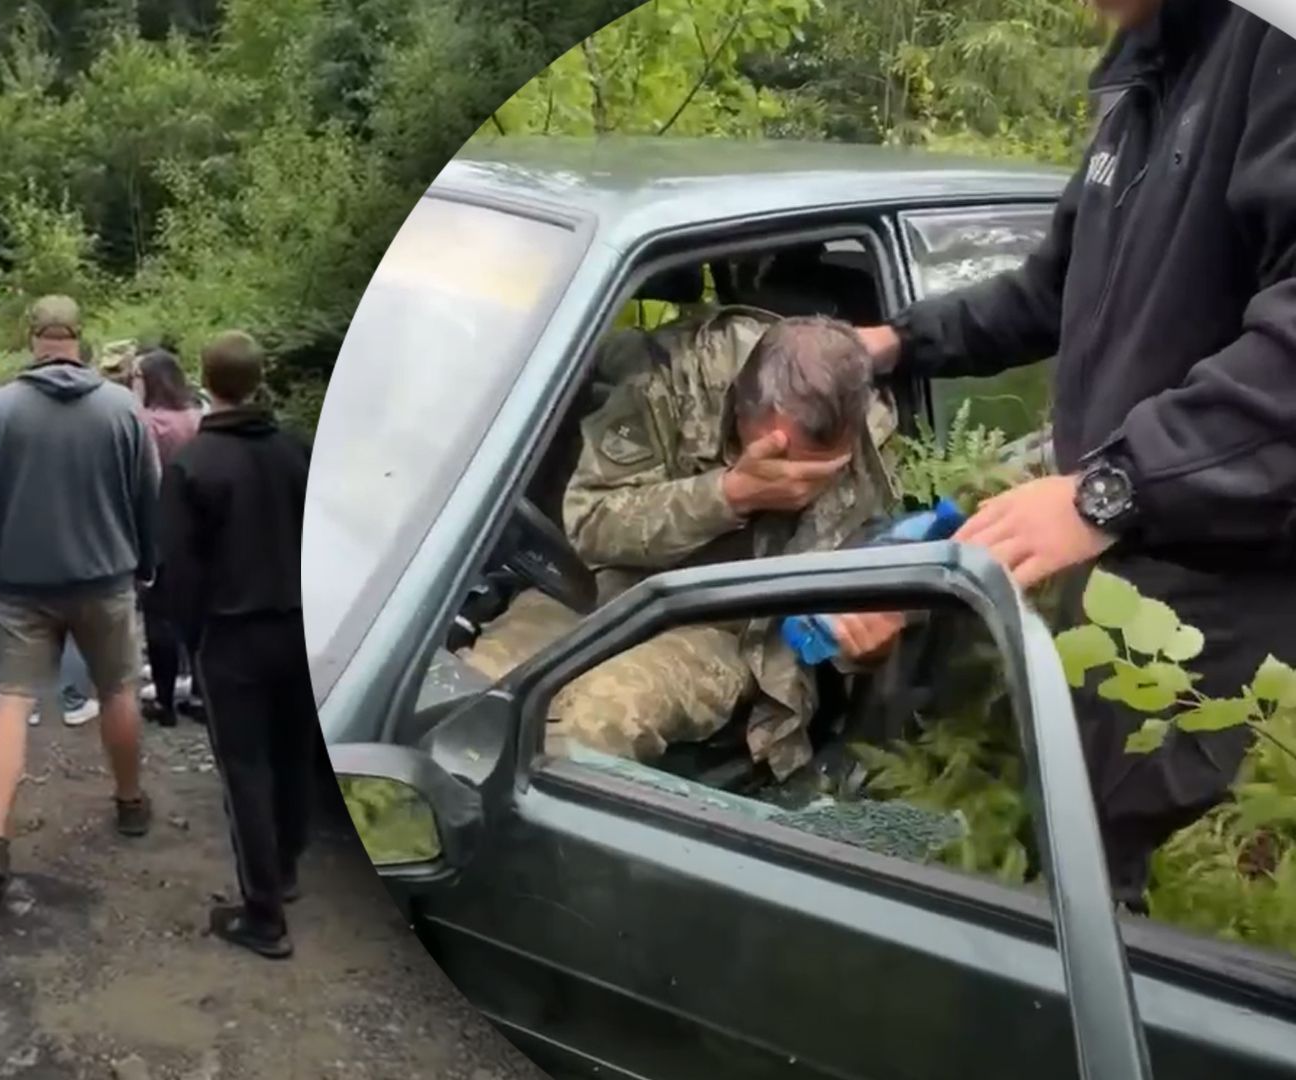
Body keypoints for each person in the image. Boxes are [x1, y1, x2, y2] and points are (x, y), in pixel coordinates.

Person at [852, 0, 1296, 907]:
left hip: (1227, 576)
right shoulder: (1139, 73)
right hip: (1127, 545)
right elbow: (1052, 289)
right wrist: (893, 343)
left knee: (1099, 869)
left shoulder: (1273, 51)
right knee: (1062, 826)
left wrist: (1107, 490)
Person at [538, 315, 903, 779]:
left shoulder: (872, 444)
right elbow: (591, 524)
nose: (798, 483)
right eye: (782, 460)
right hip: (587, 588)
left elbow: (853, 602)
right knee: (468, 693)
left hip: (729, 629)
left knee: (584, 730)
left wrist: (865, 649)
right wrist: (730, 494)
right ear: (741, 410)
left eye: (819, 470)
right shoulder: (667, 379)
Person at [0, 295, 160, 902]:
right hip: (106, 578)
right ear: (78, 338)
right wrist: (147, 565)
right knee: (117, 689)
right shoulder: (122, 409)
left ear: (31, 336)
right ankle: (130, 800)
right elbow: (149, 498)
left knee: (10, 702)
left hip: (20, 586)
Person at [157, 331, 316, 959]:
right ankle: (287, 869)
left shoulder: (194, 465)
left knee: (245, 769)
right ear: (260, 378)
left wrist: (192, 639)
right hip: (303, 628)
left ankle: (264, 915)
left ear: (206, 379)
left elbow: (179, 572)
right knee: (294, 753)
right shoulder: (297, 452)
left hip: (233, 636)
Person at [136, 349, 205, 727]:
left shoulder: (148, 422)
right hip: (197, 525)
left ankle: (164, 701)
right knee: (196, 616)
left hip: (160, 525)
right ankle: (197, 692)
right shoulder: (197, 418)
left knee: (158, 617)